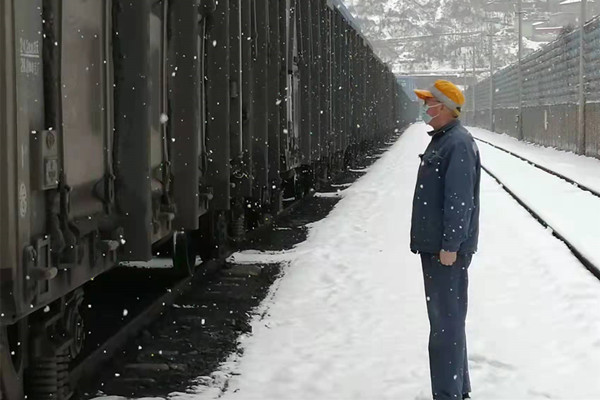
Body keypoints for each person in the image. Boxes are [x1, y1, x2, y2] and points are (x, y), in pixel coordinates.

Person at [410, 80, 481, 400]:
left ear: (445, 108)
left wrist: (451, 245)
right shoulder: (446, 140)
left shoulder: (457, 143)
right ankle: (456, 389)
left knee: (445, 325)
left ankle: (447, 394)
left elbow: (459, 200)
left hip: (445, 251)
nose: (426, 108)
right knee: (448, 321)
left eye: (430, 103)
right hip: (437, 247)